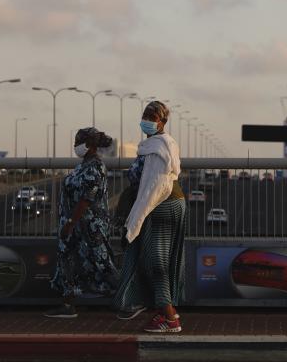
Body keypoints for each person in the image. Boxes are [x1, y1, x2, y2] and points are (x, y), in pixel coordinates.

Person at [114, 100, 186, 333]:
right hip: (167, 203)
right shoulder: (160, 144)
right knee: (156, 259)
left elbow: (153, 188)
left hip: (161, 205)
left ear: (162, 122)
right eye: (145, 114)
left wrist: (134, 222)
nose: (147, 119)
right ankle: (162, 310)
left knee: (157, 261)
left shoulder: (157, 148)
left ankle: (170, 318)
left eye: (152, 116)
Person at [45, 127, 119, 318]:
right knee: (66, 259)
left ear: (89, 145)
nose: (75, 146)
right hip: (72, 225)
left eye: (78, 143)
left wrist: (70, 222)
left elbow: (86, 199)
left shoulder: (96, 167)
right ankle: (68, 304)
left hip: (90, 226)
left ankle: (126, 299)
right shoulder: (81, 166)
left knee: (101, 262)